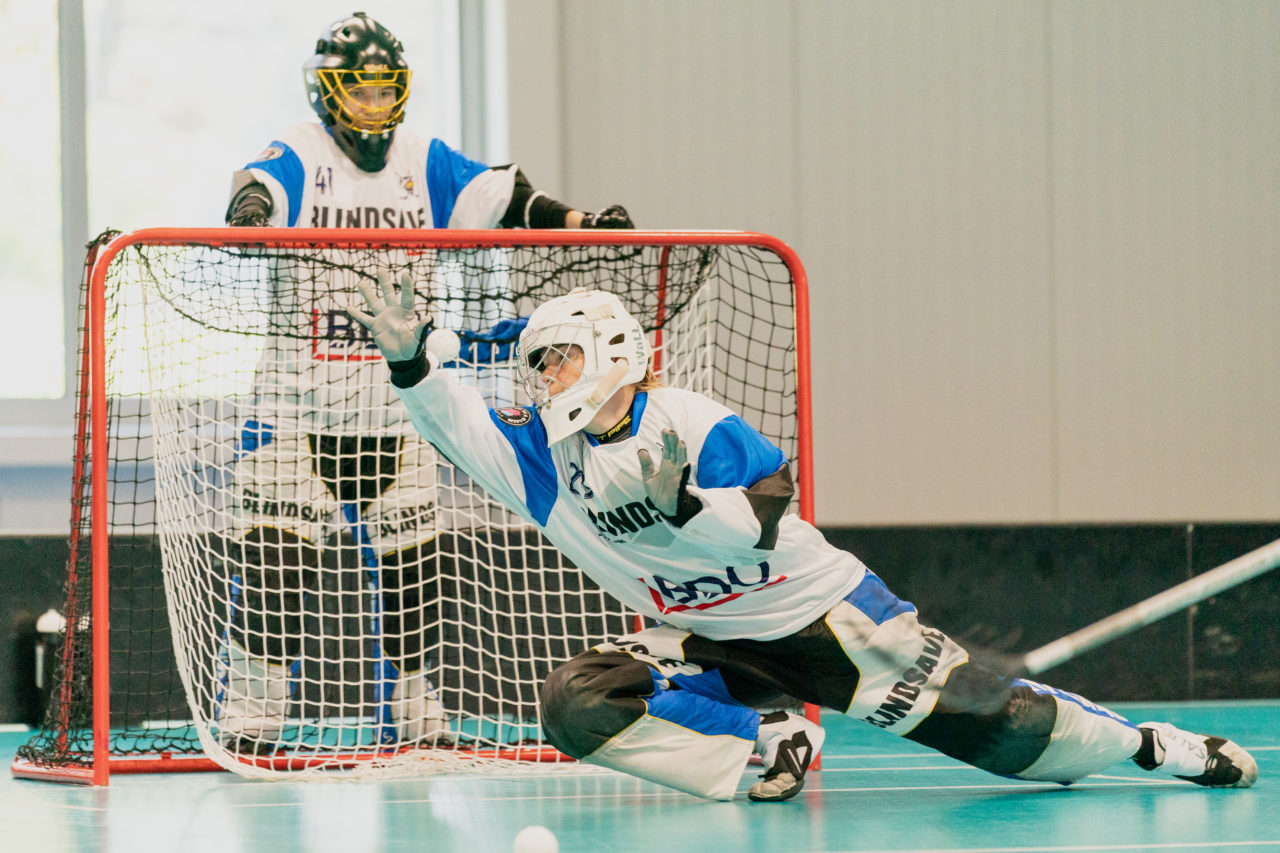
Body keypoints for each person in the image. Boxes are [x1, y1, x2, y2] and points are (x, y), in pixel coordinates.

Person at [348, 279, 1260, 801]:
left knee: (1007, 728)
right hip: (708, 643)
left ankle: (1154, 746)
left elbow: (771, 516)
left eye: (559, 359)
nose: (546, 380)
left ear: (612, 347)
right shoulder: (544, 463)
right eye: (537, 366)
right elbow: (453, 422)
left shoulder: (691, 421)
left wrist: (687, 509)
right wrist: (409, 360)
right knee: (577, 702)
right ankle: (765, 742)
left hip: (825, 622)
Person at [217, 10, 633, 753]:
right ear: (328, 92)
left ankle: (413, 715)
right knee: (275, 576)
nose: (373, 107)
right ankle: (252, 720)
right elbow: (257, 189)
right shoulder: (299, 153)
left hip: (400, 406)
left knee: (418, 582)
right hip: (295, 408)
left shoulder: (425, 159)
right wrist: (250, 217)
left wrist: (579, 218)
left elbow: (505, 198)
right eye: (359, 91)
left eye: (385, 92)